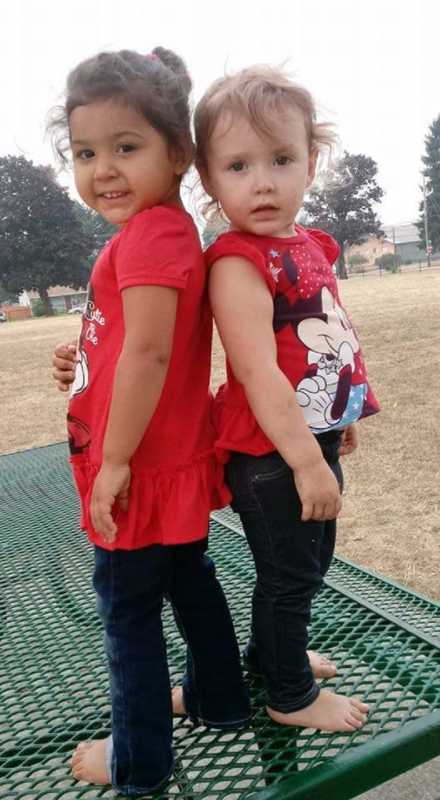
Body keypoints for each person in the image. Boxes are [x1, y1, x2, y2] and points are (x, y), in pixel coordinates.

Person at [47, 47, 250, 796]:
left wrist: (116, 462)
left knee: (128, 618)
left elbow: (153, 355)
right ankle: (218, 701)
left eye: (125, 148)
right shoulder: (147, 236)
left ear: (178, 154)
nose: (103, 168)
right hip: (166, 465)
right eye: (86, 152)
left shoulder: (157, 235)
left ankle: (139, 761)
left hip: (139, 473)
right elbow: (130, 341)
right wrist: (84, 356)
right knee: (191, 585)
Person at [193, 65, 380, 732]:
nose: (264, 180)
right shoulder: (240, 262)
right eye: (238, 165)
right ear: (209, 179)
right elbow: (261, 372)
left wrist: (340, 415)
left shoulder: (309, 245)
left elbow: (323, 339)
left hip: (308, 438)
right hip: (271, 453)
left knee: (307, 563)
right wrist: (306, 461)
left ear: (311, 162)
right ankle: (289, 695)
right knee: (290, 574)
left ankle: (272, 654)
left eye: (280, 159)